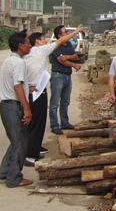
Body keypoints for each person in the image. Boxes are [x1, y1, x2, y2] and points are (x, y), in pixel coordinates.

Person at [24, 25, 83, 166]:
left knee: (39, 123)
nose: (45, 41)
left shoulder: (33, 52)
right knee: (35, 124)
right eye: (43, 39)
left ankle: (36, 149)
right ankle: (29, 156)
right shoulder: (40, 50)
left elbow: (73, 55)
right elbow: (59, 43)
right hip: (36, 93)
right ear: (37, 42)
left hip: (39, 91)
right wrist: (76, 32)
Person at [0, 30, 33, 188]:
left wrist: (27, 90)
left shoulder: (7, 61)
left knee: (15, 140)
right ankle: (14, 178)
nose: (30, 45)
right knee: (20, 143)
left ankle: (4, 171)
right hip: (13, 106)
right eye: (27, 43)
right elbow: (17, 85)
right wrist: (26, 108)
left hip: (5, 106)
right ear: (20, 46)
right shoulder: (19, 63)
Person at [49, 25, 82, 135]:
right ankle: (54, 125)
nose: (67, 33)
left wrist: (68, 57)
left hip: (67, 76)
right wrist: (74, 65)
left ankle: (65, 122)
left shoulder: (68, 44)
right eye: (65, 32)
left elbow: (75, 56)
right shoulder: (55, 46)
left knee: (65, 101)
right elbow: (61, 61)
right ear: (59, 35)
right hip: (58, 76)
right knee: (54, 103)